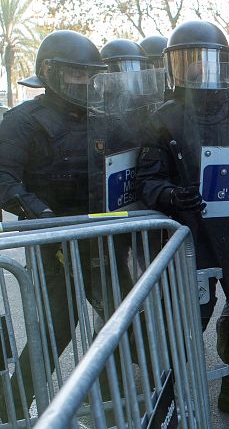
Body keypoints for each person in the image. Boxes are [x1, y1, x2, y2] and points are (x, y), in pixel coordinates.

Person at [135, 20, 229, 423]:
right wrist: (172, 195)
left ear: (224, 64)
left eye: (208, 60)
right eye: (190, 61)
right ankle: (170, 400)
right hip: (193, 235)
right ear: (175, 66)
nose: (200, 69)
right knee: (190, 321)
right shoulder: (163, 118)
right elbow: (147, 178)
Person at [0, 30, 108, 420]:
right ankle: (9, 409)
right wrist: (41, 214)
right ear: (50, 73)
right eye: (74, 73)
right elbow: (4, 178)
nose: (83, 82)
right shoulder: (22, 122)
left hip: (103, 238)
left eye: (88, 74)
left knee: (127, 319)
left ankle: (109, 402)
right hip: (54, 243)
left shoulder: (102, 119)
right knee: (55, 329)